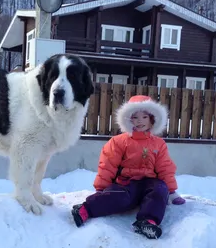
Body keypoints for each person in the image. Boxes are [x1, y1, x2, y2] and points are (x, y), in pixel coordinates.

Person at [71, 95, 185, 239]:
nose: (140, 121)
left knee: (159, 190)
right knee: (119, 198)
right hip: (125, 184)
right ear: (129, 120)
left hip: (149, 183)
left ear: (152, 120)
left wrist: (172, 191)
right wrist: (102, 189)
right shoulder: (119, 142)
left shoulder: (158, 144)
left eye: (144, 117)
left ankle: (147, 221)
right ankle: (86, 209)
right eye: (135, 117)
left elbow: (165, 167)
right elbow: (108, 165)